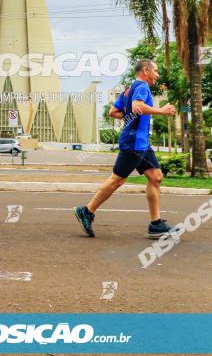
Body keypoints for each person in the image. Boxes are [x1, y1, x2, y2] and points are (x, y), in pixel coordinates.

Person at [74, 59, 176, 238]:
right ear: (146, 70)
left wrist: (130, 114)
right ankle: (87, 211)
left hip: (142, 144)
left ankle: (155, 224)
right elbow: (138, 106)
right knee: (117, 180)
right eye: (156, 71)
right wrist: (162, 110)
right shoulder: (142, 87)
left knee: (156, 177)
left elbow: (113, 112)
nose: (157, 75)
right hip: (133, 143)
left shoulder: (128, 90)